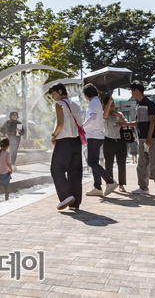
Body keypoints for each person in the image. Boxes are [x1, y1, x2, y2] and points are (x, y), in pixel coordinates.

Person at [128, 82, 155, 196]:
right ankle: (143, 187)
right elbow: (136, 123)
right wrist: (123, 123)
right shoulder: (138, 104)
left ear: (137, 91)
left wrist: (149, 137)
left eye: (132, 91)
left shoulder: (149, 103)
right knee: (142, 164)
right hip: (141, 138)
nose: (132, 94)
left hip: (151, 138)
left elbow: (153, 120)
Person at [49, 83, 84, 211]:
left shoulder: (59, 104)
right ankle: (75, 203)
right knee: (75, 172)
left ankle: (66, 196)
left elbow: (60, 123)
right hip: (76, 141)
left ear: (59, 91)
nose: (52, 97)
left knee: (56, 169)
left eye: (53, 94)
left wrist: (54, 135)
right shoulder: (76, 105)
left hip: (63, 141)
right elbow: (80, 125)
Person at [82, 84, 119, 197]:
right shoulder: (96, 101)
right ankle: (97, 187)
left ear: (87, 94)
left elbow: (92, 117)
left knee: (91, 162)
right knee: (94, 162)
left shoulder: (93, 102)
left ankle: (110, 181)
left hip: (94, 135)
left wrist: (82, 126)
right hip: (96, 135)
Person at [102, 94, 129, 193]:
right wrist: (108, 106)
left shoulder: (119, 114)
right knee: (109, 164)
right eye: (110, 102)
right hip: (108, 141)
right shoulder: (104, 114)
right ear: (105, 104)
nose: (112, 104)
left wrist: (118, 115)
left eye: (113, 102)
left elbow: (125, 126)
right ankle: (109, 183)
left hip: (120, 141)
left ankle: (121, 184)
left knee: (121, 163)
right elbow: (104, 117)